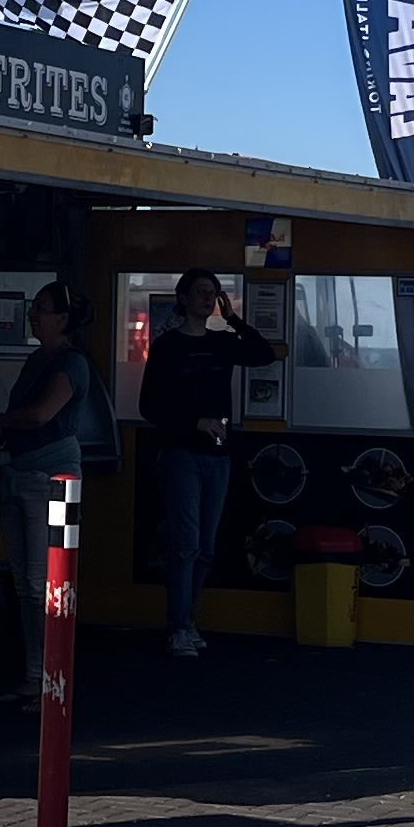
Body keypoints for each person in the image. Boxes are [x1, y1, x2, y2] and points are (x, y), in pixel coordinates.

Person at [139, 271, 280, 657]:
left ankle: (188, 620)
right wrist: (193, 423)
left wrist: (233, 319)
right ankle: (179, 627)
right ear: (182, 298)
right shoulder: (167, 347)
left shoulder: (222, 342)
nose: (207, 297)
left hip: (217, 453)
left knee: (204, 547)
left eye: (212, 292)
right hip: (180, 453)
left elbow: (263, 354)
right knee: (185, 544)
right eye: (200, 291)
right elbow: (148, 406)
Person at [0, 282, 93, 544]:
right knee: (24, 573)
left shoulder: (72, 362)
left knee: (46, 568)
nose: (32, 314)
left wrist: (1, 421)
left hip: (50, 476)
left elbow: (40, 414)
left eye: (41, 308)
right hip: (19, 473)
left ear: (62, 319)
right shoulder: (36, 358)